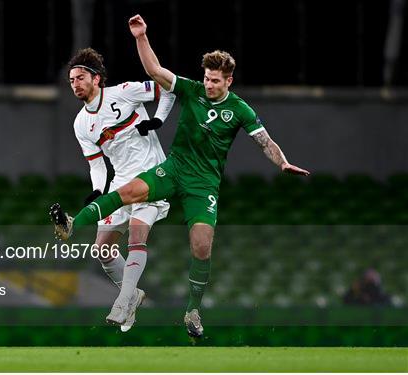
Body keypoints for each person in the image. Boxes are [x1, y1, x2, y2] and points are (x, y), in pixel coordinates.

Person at [51, 16, 310, 338]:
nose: (209, 85)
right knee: (117, 216)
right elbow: (156, 73)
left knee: (201, 247)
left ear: (229, 80)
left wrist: (282, 163)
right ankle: (81, 230)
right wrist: (142, 37)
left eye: (215, 80)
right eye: (206, 78)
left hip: (203, 184)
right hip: (173, 168)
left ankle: (192, 310)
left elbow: (264, 140)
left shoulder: (240, 109)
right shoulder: (191, 90)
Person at [55, 48, 175, 332]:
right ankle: (133, 295)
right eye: (71, 80)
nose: (75, 84)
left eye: (80, 77)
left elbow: (168, 87)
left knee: (136, 233)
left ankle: (122, 301)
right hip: (120, 182)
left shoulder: (124, 92)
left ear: (96, 79)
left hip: (151, 176)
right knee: (102, 249)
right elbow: (97, 164)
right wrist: (98, 191)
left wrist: (158, 119)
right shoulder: (81, 123)